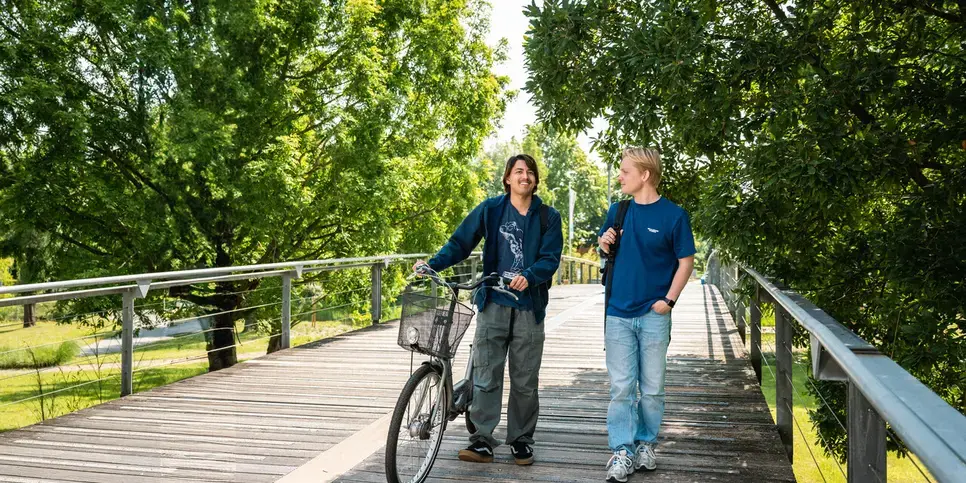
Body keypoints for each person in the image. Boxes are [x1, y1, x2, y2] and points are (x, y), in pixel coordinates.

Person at [414, 154, 563, 466]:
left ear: (535, 180)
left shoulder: (548, 217)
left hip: (529, 308)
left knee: (525, 380)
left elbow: (550, 258)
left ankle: (521, 440)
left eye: (530, 172)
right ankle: (482, 439)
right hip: (493, 303)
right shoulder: (491, 209)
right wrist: (433, 264)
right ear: (507, 178)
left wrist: (530, 276)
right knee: (486, 374)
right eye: (518, 171)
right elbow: (460, 243)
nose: (525, 176)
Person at [597, 147, 696, 482]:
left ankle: (645, 444)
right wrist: (604, 242)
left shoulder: (674, 215)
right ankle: (622, 451)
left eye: (625, 171)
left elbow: (686, 262)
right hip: (618, 313)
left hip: (655, 314)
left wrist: (669, 300)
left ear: (645, 175)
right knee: (622, 388)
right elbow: (604, 248)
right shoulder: (618, 211)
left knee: (652, 388)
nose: (620, 176)